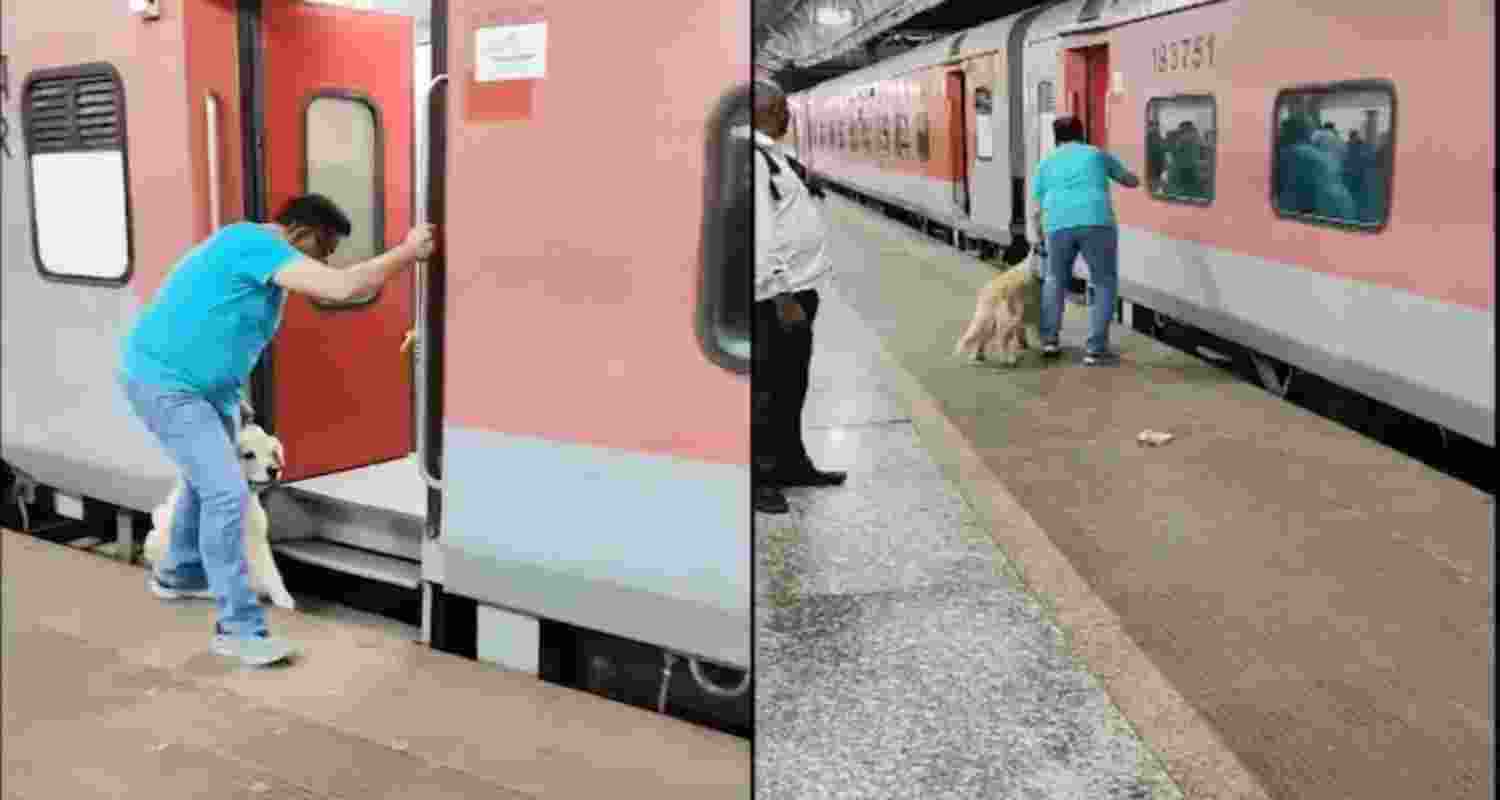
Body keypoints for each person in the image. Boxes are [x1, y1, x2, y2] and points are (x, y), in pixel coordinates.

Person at [118, 193, 436, 666]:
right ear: (300, 234)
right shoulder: (254, 244)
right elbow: (342, 288)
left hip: (207, 390)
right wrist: (408, 252)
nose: (326, 260)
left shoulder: (249, 252)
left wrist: (227, 390)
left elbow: (211, 318)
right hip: (166, 384)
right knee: (227, 494)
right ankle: (239, 629)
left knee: (204, 482)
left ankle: (179, 574)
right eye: (324, 248)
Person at [750, 79, 846, 515]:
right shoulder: (752, 160)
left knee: (792, 386)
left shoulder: (772, 156)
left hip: (799, 290)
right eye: (779, 108)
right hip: (777, 297)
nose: (788, 115)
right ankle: (760, 478)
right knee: (768, 391)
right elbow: (758, 233)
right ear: (757, 112)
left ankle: (791, 463)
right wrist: (779, 293)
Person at [1029, 115, 1140, 365]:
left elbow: (1036, 206)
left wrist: (1039, 232)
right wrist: (1140, 176)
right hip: (1097, 222)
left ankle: (1049, 341)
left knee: (1055, 279)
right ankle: (1096, 349)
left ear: (1056, 137)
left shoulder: (1045, 162)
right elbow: (1129, 180)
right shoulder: (1096, 155)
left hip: (1057, 224)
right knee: (1103, 281)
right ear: (1082, 133)